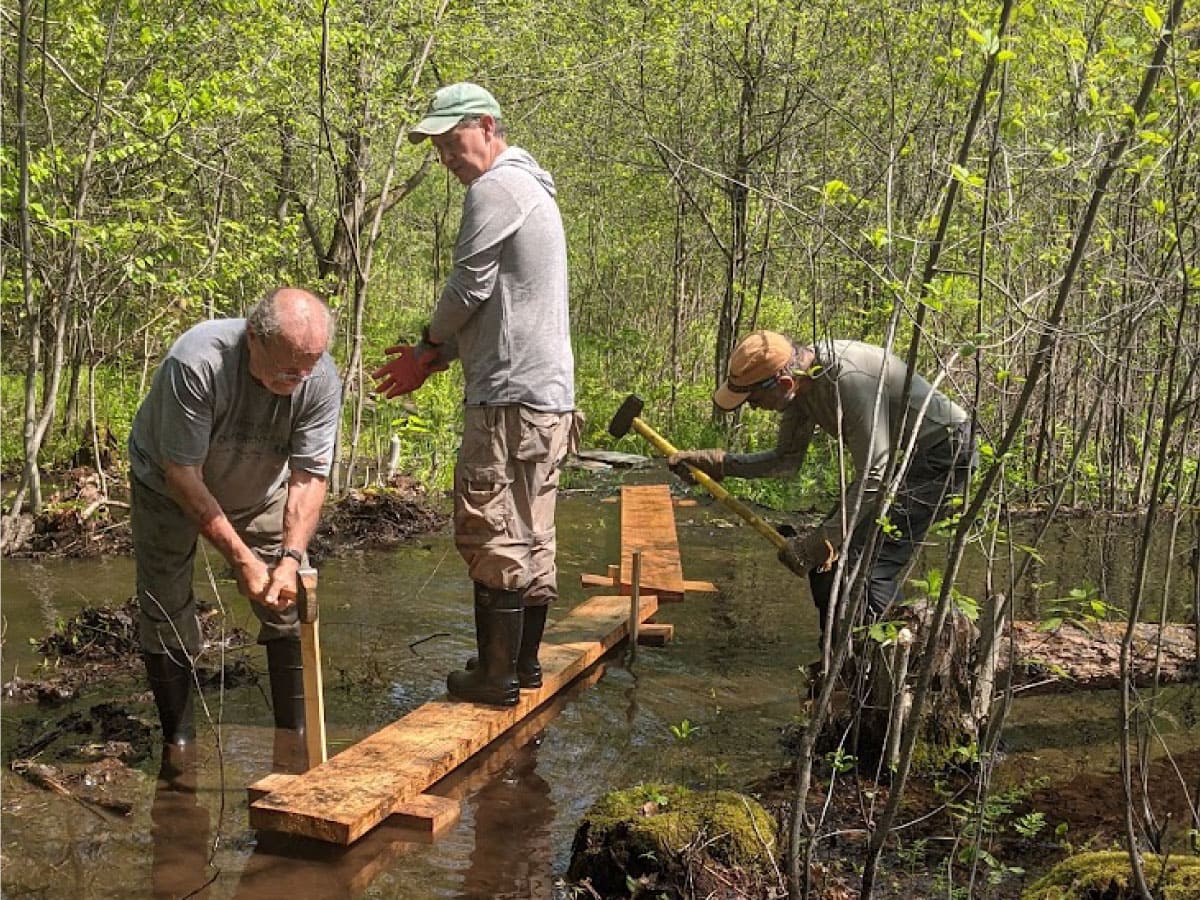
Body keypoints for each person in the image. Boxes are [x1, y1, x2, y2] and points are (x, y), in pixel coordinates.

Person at [374, 82, 579, 707]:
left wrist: (424, 348)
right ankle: (520, 665)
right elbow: (500, 306)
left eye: (450, 139)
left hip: (509, 402)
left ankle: (494, 679)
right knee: (532, 530)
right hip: (548, 399)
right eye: (435, 145)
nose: (444, 155)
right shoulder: (534, 187)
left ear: (487, 125)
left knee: (492, 529)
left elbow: (467, 290)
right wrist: (442, 357)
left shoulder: (495, 189)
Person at [128, 287, 341, 772]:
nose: (303, 378)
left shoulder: (319, 377)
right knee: (165, 603)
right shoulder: (197, 363)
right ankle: (179, 744)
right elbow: (182, 475)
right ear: (254, 340)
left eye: (310, 365)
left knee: (290, 596)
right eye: (290, 368)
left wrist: (287, 558)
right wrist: (241, 559)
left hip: (259, 485)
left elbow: (309, 476)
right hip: (167, 483)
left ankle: (294, 736)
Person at [669, 330, 974, 636]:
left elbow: (873, 475)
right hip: (902, 461)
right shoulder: (799, 390)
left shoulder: (849, 379)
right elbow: (785, 461)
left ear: (784, 383)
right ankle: (838, 656)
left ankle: (882, 664)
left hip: (944, 453)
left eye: (754, 398)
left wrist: (819, 541)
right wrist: (719, 464)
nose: (752, 407)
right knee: (828, 564)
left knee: (865, 565)